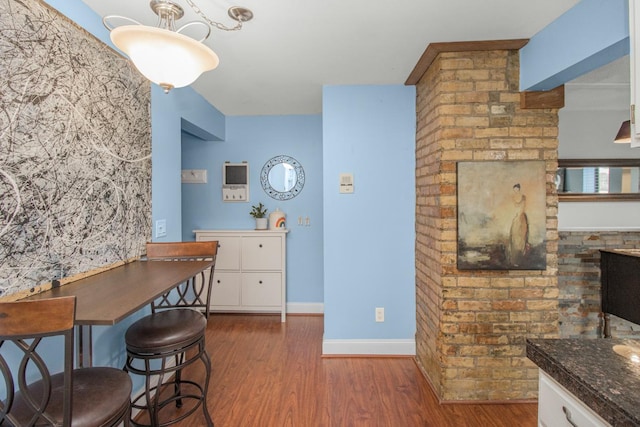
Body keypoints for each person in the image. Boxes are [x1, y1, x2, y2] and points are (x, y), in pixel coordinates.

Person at [508, 183, 529, 266]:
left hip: (521, 219)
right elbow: (515, 207)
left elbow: (520, 206)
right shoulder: (514, 197)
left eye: (516, 189)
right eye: (514, 189)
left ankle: (520, 259)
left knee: (522, 238)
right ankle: (514, 259)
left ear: (518, 189)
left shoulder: (523, 197)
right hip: (516, 219)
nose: (515, 191)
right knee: (514, 238)